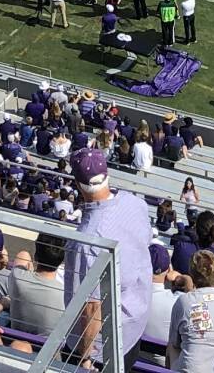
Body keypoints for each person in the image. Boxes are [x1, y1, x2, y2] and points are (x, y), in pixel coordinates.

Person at [65, 147, 156, 367]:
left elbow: (92, 308)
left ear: (78, 184)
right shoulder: (135, 203)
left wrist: (86, 357)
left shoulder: (88, 239)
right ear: (107, 175)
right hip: (132, 327)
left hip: (103, 348)